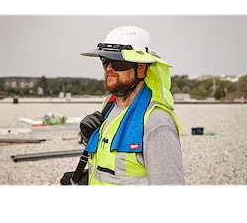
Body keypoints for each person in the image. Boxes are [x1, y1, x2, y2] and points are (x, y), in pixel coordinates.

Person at [79, 25, 185, 188]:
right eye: (105, 60)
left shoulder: (156, 122)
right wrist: (89, 138)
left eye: (118, 63)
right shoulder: (108, 107)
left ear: (141, 68)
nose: (109, 68)